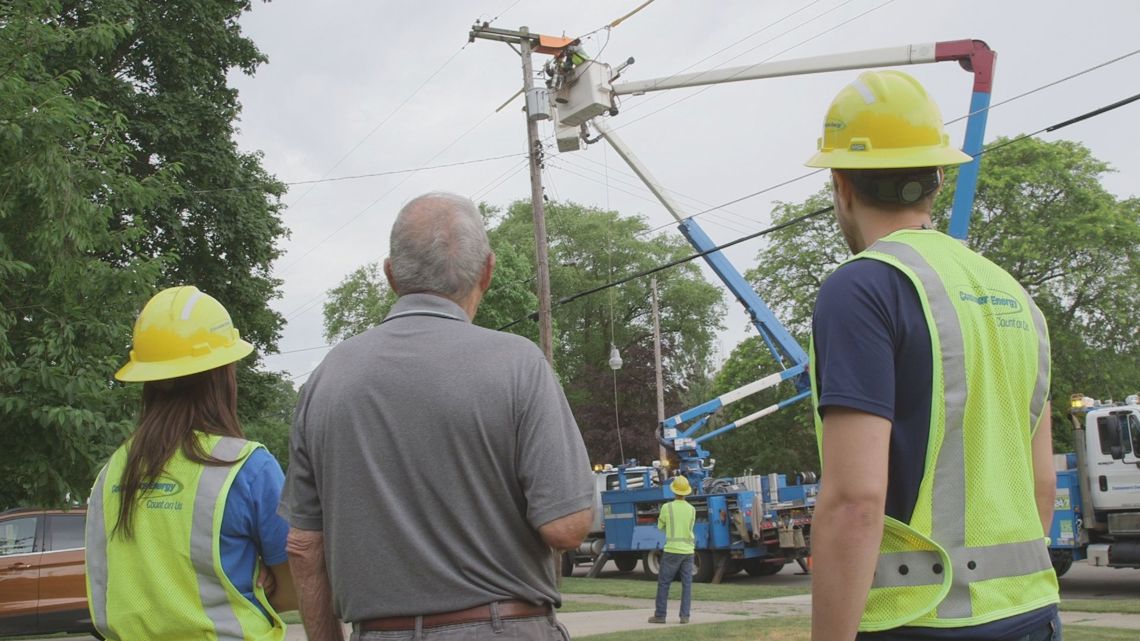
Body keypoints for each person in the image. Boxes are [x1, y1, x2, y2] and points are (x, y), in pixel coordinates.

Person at [805, 70, 1060, 641]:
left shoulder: (863, 287)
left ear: (840, 183)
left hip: (918, 620)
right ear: (938, 178)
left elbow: (854, 501)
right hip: (1031, 613)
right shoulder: (1015, 296)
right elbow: (1041, 486)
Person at [280, 192, 595, 641]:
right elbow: (566, 527)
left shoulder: (327, 379)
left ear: (391, 274)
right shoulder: (519, 364)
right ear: (487, 270)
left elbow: (304, 547)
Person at [85, 285, 297, 641]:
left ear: (147, 377)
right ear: (222, 373)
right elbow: (295, 591)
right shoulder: (247, 467)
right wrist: (261, 577)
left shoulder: (112, 472)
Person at [648, 476, 696, 625]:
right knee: (686, 584)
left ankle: (660, 615)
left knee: (664, 583)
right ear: (686, 492)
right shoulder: (692, 509)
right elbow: (690, 527)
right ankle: (684, 616)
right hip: (688, 551)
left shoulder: (667, 507)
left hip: (672, 550)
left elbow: (660, 526)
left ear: (673, 491)